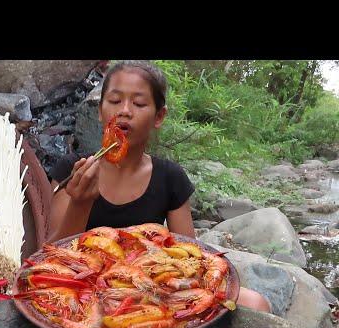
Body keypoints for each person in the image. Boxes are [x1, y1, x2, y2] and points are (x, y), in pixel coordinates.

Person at [49, 60, 271, 313]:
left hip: (150, 291)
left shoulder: (169, 177)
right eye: (114, 100)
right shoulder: (73, 169)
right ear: (100, 111)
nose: (125, 110)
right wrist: (81, 203)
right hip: (83, 291)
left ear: (159, 116)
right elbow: (51, 258)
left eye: (139, 103)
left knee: (257, 304)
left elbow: (190, 258)